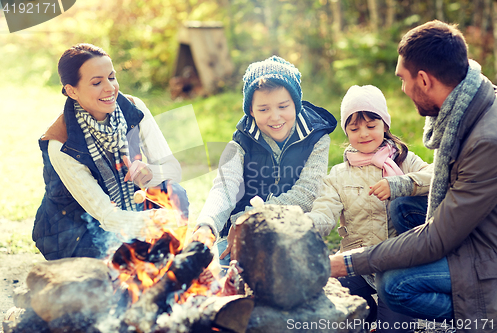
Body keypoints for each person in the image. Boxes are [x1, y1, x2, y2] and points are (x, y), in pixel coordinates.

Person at [329, 20, 497, 331]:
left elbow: (437, 237)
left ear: (423, 79)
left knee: (393, 283)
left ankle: (482, 314)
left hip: (488, 253)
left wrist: (347, 262)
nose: (403, 90)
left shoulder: (487, 140)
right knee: (403, 206)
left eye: (403, 80)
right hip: (477, 228)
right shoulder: (470, 108)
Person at [33, 43, 188, 260]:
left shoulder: (134, 108)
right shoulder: (60, 143)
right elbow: (104, 214)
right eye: (97, 82)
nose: (110, 88)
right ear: (71, 91)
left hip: (129, 209)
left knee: (175, 193)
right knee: (114, 276)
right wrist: (153, 222)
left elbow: (174, 170)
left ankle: (160, 261)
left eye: (112, 77)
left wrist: (151, 173)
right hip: (78, 229)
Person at [306, 85, 432, 332]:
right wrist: (305, 227)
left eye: (371, 126)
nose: (363, 134)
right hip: (358, 265)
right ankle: (365, 314)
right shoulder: (339, 175)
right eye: (354, 128)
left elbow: (437, 174)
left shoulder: (404, 161)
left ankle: (389, 316)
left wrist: (399, 184)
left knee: (394, 328)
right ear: (347, 131)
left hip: (396, 267)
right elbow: (324, 211)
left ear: (385, 125)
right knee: (325, 307)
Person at [193, 56, 337, 267]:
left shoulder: (316, 138)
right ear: (251, 110)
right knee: (218, 275)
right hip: (242, 237)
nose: (275, 117)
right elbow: (224, 188)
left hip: (292, 233)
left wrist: (250, 219)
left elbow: (307, 194)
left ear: (295, 104)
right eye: (263, 109)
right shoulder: (241, 142)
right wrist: (206, 225)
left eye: (283, 106)